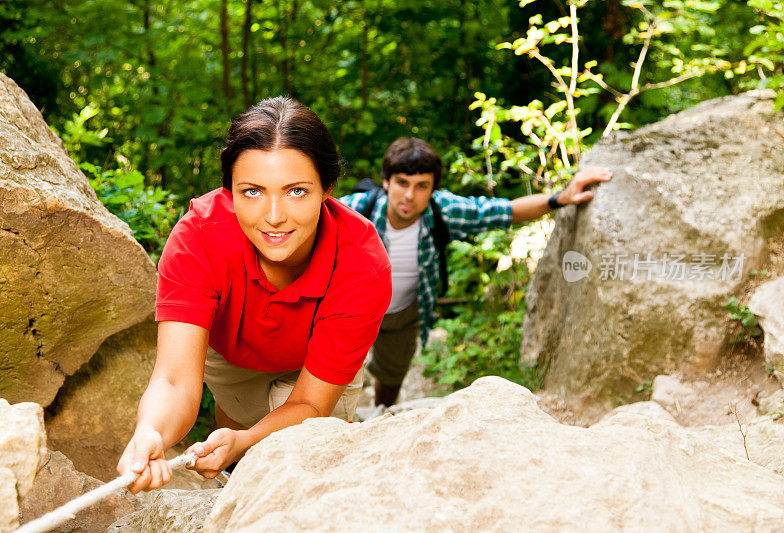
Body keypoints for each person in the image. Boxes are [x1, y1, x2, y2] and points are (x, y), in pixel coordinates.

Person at [117, 97, 391, 492]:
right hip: (233, 353)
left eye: (296, 191)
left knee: (302, 456)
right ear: (229, 191)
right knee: (234, 450)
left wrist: (246, 442)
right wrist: (151, 433)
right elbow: (175, 381)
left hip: (316, 374)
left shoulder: (361, 264)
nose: (274, 215)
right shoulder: (198, 239)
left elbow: (311, 404)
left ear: (327, 188)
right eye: (252, 192)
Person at [340, 137, 611, 406]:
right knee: (335, 375)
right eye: (402, 183)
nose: (410, 195)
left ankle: (380, 415)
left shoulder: (442, 211)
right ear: (386, 182)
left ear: (432, 190)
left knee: (391, 377)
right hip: (351, 308)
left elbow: (506, 211)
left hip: (404, 313)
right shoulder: (353, 211)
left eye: (422, 186)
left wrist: (560, 198)